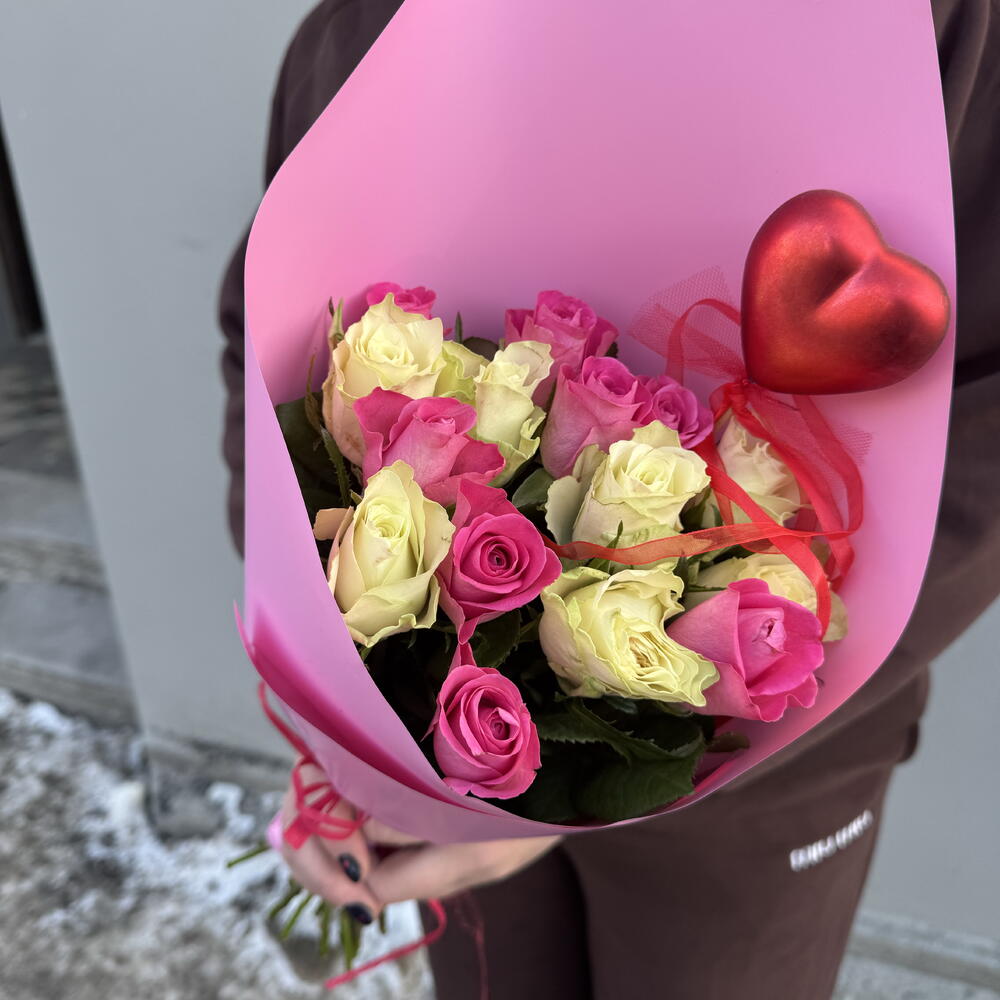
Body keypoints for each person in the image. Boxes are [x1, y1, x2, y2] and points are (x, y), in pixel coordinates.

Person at [218, 3, 1000, 996]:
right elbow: (274, 331)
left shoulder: (939, 32)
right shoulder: (378, 25)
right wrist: (337, 691)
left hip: (762, 756)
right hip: (447, 724)